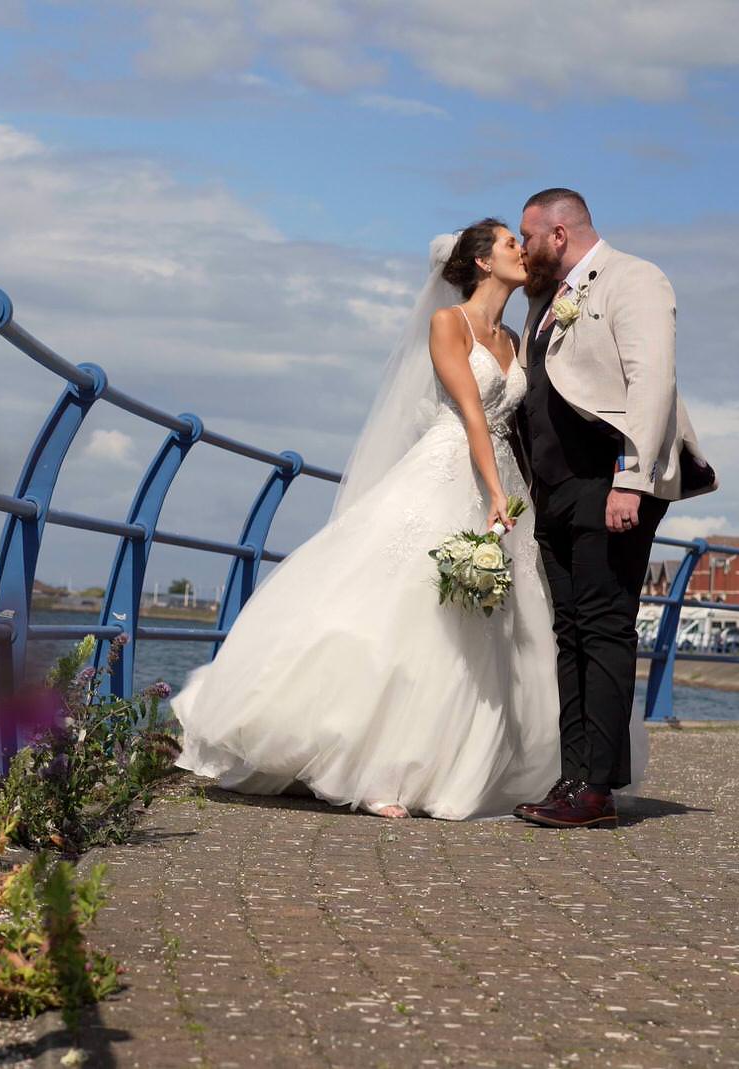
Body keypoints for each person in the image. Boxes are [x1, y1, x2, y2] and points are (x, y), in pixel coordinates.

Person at [171, 219, 561, 820]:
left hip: (503, 478)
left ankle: (446, 766)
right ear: (483, 262)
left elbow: (512, 425)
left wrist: (514, 493)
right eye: (510, 242)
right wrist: (490, 493)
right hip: (451, 468)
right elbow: (471, 416)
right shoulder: (446, 324)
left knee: (481, 626)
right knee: (406, 608)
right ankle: (377, 768)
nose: (521, 250)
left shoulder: (513, 339)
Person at [509, 188, 716, 829]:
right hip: (557, 490)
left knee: (603, 628)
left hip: (610, 480)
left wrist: (633, 478)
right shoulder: (545, 302)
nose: (523, 251)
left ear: (561, 233)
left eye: (529, 237)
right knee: (569, 632)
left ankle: (596, 790)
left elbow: (651, 378)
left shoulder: (634, 279)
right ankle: (574, 778)